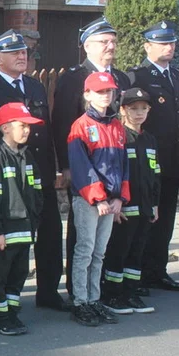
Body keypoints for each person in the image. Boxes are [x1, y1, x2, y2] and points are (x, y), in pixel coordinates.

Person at [0, 30, 66, 311]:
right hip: (8, 176)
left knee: (50, 232)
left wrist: (54, 169)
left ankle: (49, 291)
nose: (22, 56)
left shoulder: (35, 86)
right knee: (11, 241)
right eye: (15, 52)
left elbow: (47, 131)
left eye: (24, 52)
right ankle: (1, 299)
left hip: (38, 171)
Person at [51, 17, 131, 296]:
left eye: (113, 41)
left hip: (112, 170)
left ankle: (99, 290)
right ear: (87, 46)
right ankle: (79, 292)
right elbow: (62, 123)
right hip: (84, 170)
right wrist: (66, 167)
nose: (110, 46)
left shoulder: (120, 78)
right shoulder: (73, 77)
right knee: (82, 239)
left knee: (103, 242)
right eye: (103, 41)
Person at [128, 21, 179, 292]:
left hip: (174, 158)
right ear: (147, 46)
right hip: (149, 160)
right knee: (145, 219)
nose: (169, 47)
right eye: (163, 42)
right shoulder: (138, 75)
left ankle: (157, 269)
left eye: (172, 42)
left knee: (166, 218)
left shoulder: (177, 76)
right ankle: (137, 272)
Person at [67, 72, 129, 327]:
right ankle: (80, 301)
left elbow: (124, 165)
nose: (106, 96)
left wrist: (120, 199)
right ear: (88, 95)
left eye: (109, 92)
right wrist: (99, 199)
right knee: (85, 251)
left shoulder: (116, 126)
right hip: (89, 201)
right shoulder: (80, 126)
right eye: (101, 92)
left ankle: (94, 299)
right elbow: (81, 167)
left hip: (110, 201)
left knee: (99, 253)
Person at [0, 103, 44, 335]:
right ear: (5, 127)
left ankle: (11, 312)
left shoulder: (27, 156)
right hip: (3, 233)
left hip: (24, 230)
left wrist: (34, 221)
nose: (27, 130)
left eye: (28, 126)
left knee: (18, 274)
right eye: (22, 125)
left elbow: (37, 191)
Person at [100, 89, 159, 315]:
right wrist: (115, 202)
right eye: (133, 108)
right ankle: (112, 295)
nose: (139, 113)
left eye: (143, 108)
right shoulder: (119, 136)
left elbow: (155, 175)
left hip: (144, 207)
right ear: (123, 110)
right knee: (119, 251)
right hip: (124, 208)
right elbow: (112, 172)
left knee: (137, 251)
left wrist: (154, 204)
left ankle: (130, 292)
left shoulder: (150, 139)